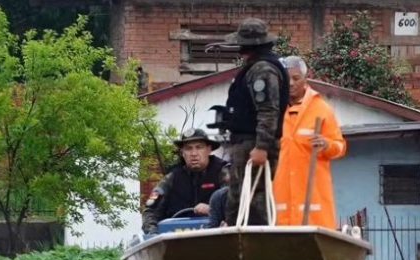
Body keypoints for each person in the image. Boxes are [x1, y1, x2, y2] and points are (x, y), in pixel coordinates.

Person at [213, 18, 289, 227]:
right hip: (247, 143)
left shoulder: (262, 69)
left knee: (254, 200)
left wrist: (261, 146)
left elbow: (268, 110)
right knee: (240, 199)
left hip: (252, 144)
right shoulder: (257, 67)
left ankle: (259, 246)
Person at [272, 56, 346, 228]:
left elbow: (340, 146)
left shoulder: (321, 110)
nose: (290, 83)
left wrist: (327, 145)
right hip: (281, 208)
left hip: (314, 208)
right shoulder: (274, 111)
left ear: (305, 79)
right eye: (286, 78)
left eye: (296, 78)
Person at [141, 128, 226, 234]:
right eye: (188, 149)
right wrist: (153, 234)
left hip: (217, 236)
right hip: (175, 240)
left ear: (209, 149)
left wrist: (212, 210)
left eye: (199, 147)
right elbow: (150, 210)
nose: (194, 153)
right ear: (182, 153)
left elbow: (238, 205)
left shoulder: (224, 172)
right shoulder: (171, 178)